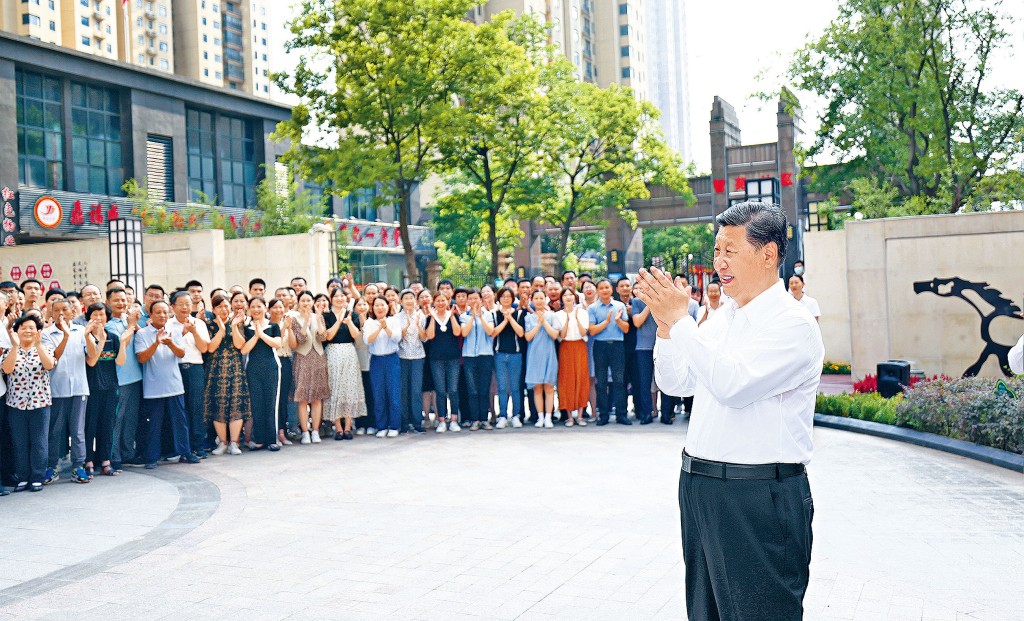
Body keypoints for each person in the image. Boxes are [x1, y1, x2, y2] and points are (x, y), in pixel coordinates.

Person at [636, 201, 822, 620]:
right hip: (701, 488)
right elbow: (677, 383)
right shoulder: (722, 317)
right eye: (716, 251)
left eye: (730, 251)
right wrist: (668, 332)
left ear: (769, 253)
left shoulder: (793, 325)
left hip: (756, 495)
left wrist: (682, 323)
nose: (719, 262)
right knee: (706, 612)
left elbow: (732, 385)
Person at [135, 301, 200, 468]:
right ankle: (151, 458)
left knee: (180, 422)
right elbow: (142, 358)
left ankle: (185, 452)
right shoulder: (142, 334)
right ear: (150, 314)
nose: (162, 315)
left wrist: (170, 343)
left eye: (165, 312)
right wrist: (156, 343)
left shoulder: (175, 331)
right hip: (153, 387)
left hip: (174, 385)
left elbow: (181, 353)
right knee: (153, 424)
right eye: (158, 312)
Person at [42, 297, 95, 484]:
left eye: (65, 309)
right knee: (55, 431)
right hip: (57, 389)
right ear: (51, 313)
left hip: (80, 388)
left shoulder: (81, 331)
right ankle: (52, 466)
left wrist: (90, 337)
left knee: (78, 430)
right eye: (57, 310)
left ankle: (78, 466)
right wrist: (64, 335)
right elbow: (52, 359)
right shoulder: (46, 334)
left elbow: (92, 357)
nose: (61, 314)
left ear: (74, 311)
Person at [3, 314, 56, 492]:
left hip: (40, 404)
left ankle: (37, 477)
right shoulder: (9, 350)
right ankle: (23, 477)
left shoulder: (46, 347)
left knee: (39, 442)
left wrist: (39, 345)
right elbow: (7, 369)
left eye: (31, 328)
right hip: (16, 404)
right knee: (20, 442)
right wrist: (16, 347)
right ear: (16, 331)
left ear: (38, 331)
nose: (27, 330)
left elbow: (49, 366)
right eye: (23, 327)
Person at [83, 303, 126, 478]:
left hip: (110, 388)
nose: (99, 318)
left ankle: (105, 461)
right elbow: (91, 361)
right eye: (95, 315)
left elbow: (121, 361)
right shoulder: (85, 337)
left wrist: (122, 342)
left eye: (102, 315)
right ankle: (88, 461)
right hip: (91, 388)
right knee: (89, 426)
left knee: (107, 425)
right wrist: (98, 339)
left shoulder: (114, 337)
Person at [204, 293, 251, 455]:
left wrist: (233, 327)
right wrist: (221, 330)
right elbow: (210, 348)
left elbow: (240, 345)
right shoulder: (209, 325)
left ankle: (234, 443)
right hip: (215, 370)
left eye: (226, 306)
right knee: (218, 405)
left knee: (236, 404)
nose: (224, 309)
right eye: (220, 307)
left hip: (235, 368)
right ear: (214, 309)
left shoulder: (237, 323)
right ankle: (222, 442)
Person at [167, 291, 210, 459]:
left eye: (188, 304)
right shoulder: (168, 324)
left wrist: (193, 331)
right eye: (181, 304)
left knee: (196, 407)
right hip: (174, 368)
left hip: (194, 368)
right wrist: (182, 333)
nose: (185, 307)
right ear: (173, 307)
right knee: (178, 409)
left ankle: (198, 446)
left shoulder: (198, 323)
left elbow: (204, 348)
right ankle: (180, 447)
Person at [105, 288, 142, 473]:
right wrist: (130, 326)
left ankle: (128, 453)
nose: (121, 303)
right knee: (117, 420)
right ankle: (114, 456)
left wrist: (134, 324)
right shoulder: (110, 325)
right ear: (108, 302)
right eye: (116, 300)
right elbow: (121, 344)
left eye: (123, 300)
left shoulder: (130, 321)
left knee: (131, 419)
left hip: (136, 377)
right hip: (120, 379)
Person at [323, 288, 366, 440]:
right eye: (336, 296)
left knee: (349, 388)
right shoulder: (326, 316)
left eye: (342, 296)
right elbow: (328, 336)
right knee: (334, 387)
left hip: (349, 352)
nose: (340, 299)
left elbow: (357, 336)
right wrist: (339, 320)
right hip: (333, 352)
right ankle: (338, 427)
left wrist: (348, 322)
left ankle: (348, 427)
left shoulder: (352, 314)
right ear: (331, 298)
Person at [587, 279, 631, 426]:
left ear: (611, 289)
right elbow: (592, 330)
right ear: (598, 291)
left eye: (607, 287)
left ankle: (621, 415)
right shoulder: (592, 308)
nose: (604, 290)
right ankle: (603, 415)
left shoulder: (619, 306)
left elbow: (626, 329)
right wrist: (606, 322)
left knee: (619, 381)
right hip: (600, 346)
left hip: (617, 346)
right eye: (601, 288)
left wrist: (618, 320)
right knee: (601, 382)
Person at [288, 291, 330, 444]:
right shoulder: (293, 319)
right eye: (303, 300)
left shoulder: (318, 316)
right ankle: (305, 431)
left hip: (318, 358)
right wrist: (305, 321)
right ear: (298, 302)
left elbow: (322, 337)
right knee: (303, 399)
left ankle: (316, 430)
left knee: (317, 398)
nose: (306, 303)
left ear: (313, 302)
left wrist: (318, 319)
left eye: (308, 300)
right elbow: (301, 339)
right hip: (303, 359)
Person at [241, 297, 282, 451]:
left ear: (265, 308)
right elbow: (244, 349)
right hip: (252, 368)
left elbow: (277, 344)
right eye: (253, 306)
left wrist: (262, 334)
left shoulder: (273, 325)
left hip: (271, 367)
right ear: (249, 309)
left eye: (259, 306)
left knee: (271, 404)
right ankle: (259, 439)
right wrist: (256, 335)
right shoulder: (246, 328)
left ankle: (272, 439)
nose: (256, 309)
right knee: (256, 404)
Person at [363, 297, 403, 437]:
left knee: (393, 393)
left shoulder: (394, 320)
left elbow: (396, 338)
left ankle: (394, 425)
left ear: (388, 306)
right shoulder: (369, 322)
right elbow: (367, 340)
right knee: (378, 394)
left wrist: (385, 327)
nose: (380, 308)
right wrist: (379, 326)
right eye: (376, 305)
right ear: (372, 307)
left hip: (392, 359)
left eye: (382, 305)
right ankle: (381, 426)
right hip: (376, 360)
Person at [459, 289, 496, 431]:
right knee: (472, 389)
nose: (474, 301)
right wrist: (473, 317)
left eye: (476, 298)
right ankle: (475, 419)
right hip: (469, 356)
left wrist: (480, 317)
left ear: (481, 300)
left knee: (484, 389)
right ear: (468, 301)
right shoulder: (464, 316)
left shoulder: (488, 315)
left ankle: (484, 419)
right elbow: (464, 332)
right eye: (471, 299)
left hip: (485, 355)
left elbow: (490, 331)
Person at [524, 289, 561, 428]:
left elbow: (554, 335)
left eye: (541, 298)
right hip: (534, 355)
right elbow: (528, 337)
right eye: (536, 298)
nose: (539, 301)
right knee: (537, 388)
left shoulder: (552, 316)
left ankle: (548, 417)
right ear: (532, 300)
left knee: (549, 387)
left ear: (545, 299)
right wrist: (538, 323)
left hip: (549, 354)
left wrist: (544, 321)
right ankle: (540, 417)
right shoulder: (528, 318)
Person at [426, 293, 462, 433]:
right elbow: (430, 335)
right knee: (440, 390)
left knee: (453, 390)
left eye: (443, 300)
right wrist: (433, 317)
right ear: (434, 302)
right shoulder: (430, 317)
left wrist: (452, 316)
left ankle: (453, 420)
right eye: (438, 301)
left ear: (447, 301)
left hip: (453, 358)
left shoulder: (453, 315)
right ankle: (441, 420)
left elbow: (458, 332)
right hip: (436, 359)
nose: (441, 303)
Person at [491, 287, 527, 429]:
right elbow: (494, 332)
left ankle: (516, 415)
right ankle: (503, 416)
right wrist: (505, 320)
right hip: (499, 354)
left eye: (508, 296)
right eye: (503, 296)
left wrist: (510, 317)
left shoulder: (519, 314)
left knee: (515, 387)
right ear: (498, 298)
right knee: (502, 387)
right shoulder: (494, 314)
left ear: (513, 298)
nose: (506, 299)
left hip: (515, 354)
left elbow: (521, 332)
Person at [555, 287, 589, 426]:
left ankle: (580, 415)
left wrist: (575, 317)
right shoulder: (558, 315)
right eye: (565, 295)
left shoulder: (582, 312)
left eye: (571, 295)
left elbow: (583, 332)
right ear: (561, 298)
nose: (568, 297)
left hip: (580, 346)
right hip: (566, 347)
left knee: (581, 378)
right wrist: (568, 320)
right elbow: (561, 336)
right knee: (566, 380)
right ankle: (569, 416)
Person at [396, 290, 427, 434]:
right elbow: (396, 338)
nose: (409, 300)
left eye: (411, 298)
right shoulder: (396, 318)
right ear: (400, 301)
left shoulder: (421, 316)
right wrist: (406, 326)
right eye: (405, 298)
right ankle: (404, 422)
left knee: (416, 390)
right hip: (402, 356)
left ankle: (417, 422)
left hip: (418, 357)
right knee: (403, 390)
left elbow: (425, 338)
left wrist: (417, 324)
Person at [268, 299, 296, 445]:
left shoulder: (288, 323)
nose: (278, 310)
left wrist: (288, 328)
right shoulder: (268, 325)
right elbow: (276, 344)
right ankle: (273, 432)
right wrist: (283, 328)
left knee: (283, 399)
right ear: (269, 309)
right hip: (272, 361)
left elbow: (292, 344)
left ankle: (282, 432)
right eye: (275, 307)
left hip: (285, 362)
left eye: (281, 307)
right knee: (273, 399)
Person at [631, 292, 657, 425]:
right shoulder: (636, 301)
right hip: (643, 347)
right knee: (644, 382)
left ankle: (667, 414)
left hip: (661, 345)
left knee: (664, 380)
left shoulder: (662, 297)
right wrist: (649, 304)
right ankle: (646, 413)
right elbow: (637, 322)